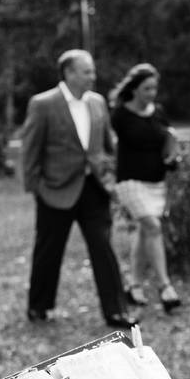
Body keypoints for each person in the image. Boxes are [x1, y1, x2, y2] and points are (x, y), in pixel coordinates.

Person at [21, 49, 137, 328]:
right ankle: (40, 307)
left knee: (103, 248)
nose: (93, 76)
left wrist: (107, 172)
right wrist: (36, 186)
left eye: (92, 71)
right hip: (55, 190)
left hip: (93, 189)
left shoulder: (97, 103)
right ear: (69, 73)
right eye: (87, 71)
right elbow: (31, 148)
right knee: (49, 250)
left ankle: (116, 311)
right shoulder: (43, 103)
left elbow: (108, 144)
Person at [108, 63, 181, 313]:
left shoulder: (158, 112)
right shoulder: (120, 115)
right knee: (152, 225)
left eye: (154, 88)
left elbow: (168, 142)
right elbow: (120, 144)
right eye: (147, 88)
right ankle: (165, 286)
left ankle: (135, 285)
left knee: (143, 230)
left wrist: (172, 158)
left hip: (156, 182)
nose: (151, 93)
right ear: (135, 89)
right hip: (131, 182)